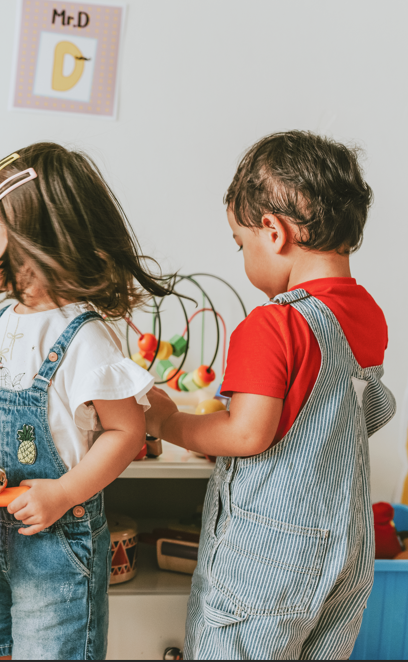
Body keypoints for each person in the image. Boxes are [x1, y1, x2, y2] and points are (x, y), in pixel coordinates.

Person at [146, 131, 397, 659]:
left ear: (273, 231)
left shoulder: (273, 324)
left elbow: (245, 433)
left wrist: (167, 423)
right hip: (347, 554)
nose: (243, 258)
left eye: (240, 245)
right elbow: (343, 418)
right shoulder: (368, 316)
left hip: (271, 558)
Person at [0, 143, 171, 660]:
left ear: (24, 238)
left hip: (56, 543)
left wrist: (64, 493)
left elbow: (127, 432)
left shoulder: (84, 337)